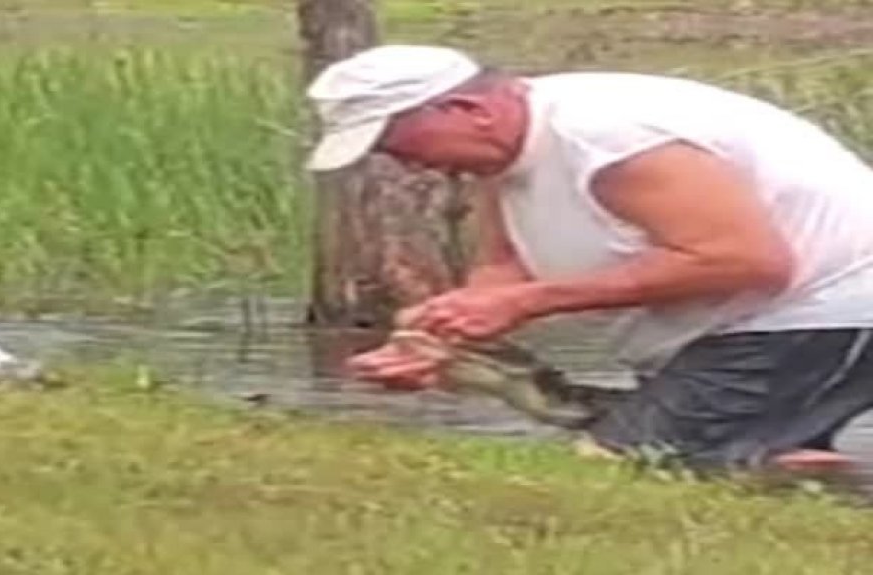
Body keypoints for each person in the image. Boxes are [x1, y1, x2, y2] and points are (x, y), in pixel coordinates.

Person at [302, 44, 873, 472]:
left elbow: (746, 261)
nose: (406, 166)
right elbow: (504, 265)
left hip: (829, 303)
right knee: (751, 453)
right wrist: (439, 343)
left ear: (466, 108)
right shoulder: (508, 147)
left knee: (624, 462)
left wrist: (529, 301)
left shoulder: (607, 137)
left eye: (398, 145)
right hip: (759, 320)